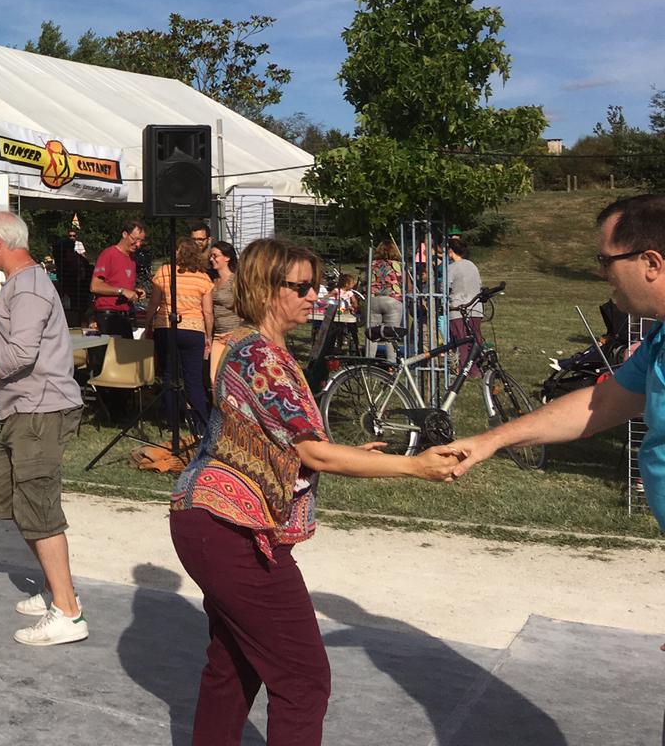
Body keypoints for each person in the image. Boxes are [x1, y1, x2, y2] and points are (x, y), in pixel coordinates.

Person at [169, 236, 461, 744]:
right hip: (229, 528)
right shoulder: (262, 357)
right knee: (303, 682)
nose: (314, 296)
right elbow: (314, 453)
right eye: (301, 287)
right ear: (264, 288)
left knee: (234, 665)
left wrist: (350, 455)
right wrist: (415, 467)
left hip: (213, 520)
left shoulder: (253, 348)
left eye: (316, 285)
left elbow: (282, 440)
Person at [453, 194, 665, 508]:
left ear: (651, 263)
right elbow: (600, 404)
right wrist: (490, 440)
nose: (601, 273)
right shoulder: (659, 339)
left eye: (606, 261)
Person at [0, 210, 88, 646]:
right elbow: (33, 361)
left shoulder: (30, 285)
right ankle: (58, 591)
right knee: (22, 503)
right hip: (28, 408)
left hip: (41, 413)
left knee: (38, 505)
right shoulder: (24, 283)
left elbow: (22, 354)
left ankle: (68, 612)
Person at [149, 237, 216, 440]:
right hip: (194, 330)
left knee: (169, 375)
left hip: (167, 327)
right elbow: (208, 311)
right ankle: (201, 423)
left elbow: (154, 302)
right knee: (193, 379)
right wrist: (209, 336)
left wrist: (147, 324)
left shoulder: (164, 272)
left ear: (177, 252)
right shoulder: (203, 278)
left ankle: (172, 420)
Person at [90, 221, 147, 337]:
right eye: (135, 239)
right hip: (108, 315)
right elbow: (95, 286)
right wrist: (122, 291)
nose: (138, 244)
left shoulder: (132, 259)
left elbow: (117, 284)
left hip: (125, 314)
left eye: (141, 241)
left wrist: (135, 292)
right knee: (113, 353)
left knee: (126, 353)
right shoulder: (108, 254)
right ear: (124, 234)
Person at [446, 239, 483, 372]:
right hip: (475, 307)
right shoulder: (472, 265)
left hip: (457, 308)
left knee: (460, 339)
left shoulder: (451, 268)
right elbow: (479, 284)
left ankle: (464, 369)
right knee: (475, 339)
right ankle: (477, 368)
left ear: (451, 251)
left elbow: (444, 287)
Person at [367, 239, 404, 359]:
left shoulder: (372, 264)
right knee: (391, 335)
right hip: (393, 299)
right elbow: (405, 283)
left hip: (374, 298)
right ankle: (391, 365)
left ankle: (369, 362)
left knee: (372, 334)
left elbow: (365, 282)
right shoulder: (399, 265)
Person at [209, 241, 241, 342]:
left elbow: (246, 310)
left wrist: (237, 334)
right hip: (216, 335)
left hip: (234, 334)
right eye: (210, 256)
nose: (211, 259)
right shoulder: (211, 280)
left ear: (227, 258)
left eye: (215, 256)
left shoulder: (236, 280)